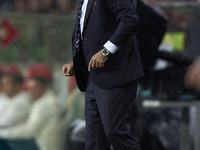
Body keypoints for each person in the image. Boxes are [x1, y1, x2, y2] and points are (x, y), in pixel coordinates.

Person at [62, 0, 143, 149]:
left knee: (115, 133)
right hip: (93, 76)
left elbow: (130, 20)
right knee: (94, 140)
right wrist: (78, 61)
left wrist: (106, 51)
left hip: (115, 74)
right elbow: (89, 32)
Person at [0, 74, 60, 150]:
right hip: (37, 142)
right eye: (30, 89)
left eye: (35, 88)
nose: (32, 92)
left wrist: (2, 133)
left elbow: (29, 131)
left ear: (45, 88)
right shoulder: (42, 101)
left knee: (4, 141)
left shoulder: (46, 104)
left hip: (42, 146)